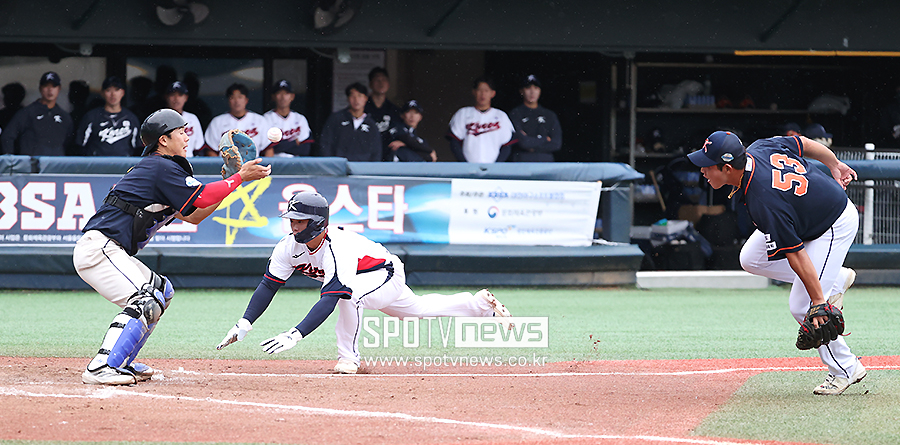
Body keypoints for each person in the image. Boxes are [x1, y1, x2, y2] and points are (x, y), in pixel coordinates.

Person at [74, 108, 271, 385]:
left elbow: (194, 215)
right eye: (181, 132)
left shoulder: (162, 169)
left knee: (161, 292)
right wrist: (238, 178)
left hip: (110, 250)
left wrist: (231, 181)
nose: (187, 137)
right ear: (163, 140)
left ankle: (123, 360)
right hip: (100, 248)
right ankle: (102, 365)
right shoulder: (159, 166)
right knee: (145, 300)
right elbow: (202, 197)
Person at [215, 191, 511, 374]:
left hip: (386, 273)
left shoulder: (337, 247)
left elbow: (330, 298)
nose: (293, 226)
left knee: (350, 296)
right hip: (367, 278)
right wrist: (245, 323)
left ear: (317, 222)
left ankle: (349, 359)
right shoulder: (286, 247)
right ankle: (478, 305)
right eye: (292, 219)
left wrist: (296, 334)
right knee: (417, 310)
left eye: (300, 220)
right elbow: (269, 285)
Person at [687, 131, 864, 395]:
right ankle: (834, 278)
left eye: (707, 165)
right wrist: (833, 163)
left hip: (832, 223)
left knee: (803, 304)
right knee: (751, 258)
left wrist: (818, 301)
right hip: (803, 216)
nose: (702, 170)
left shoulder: (763, 200)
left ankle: (846, 367)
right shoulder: (759, 147)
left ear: (726, 167)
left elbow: (796, 254)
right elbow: (803, 143)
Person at [1, 72, 73, 156]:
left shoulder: (65, 117)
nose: (50, 90)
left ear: (59, 89)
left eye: (53, 86)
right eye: (46, 86)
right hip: (33, 167)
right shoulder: (27, 113)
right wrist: (12, 163)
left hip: (56, 166)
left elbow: (69, 143)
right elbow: (7, 137)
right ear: (40, 88)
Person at [447, 76, 516, 163]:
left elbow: (507, 145)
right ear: (474, 92)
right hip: (468, 167)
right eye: (480, 90)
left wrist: (497, 166)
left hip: (493, 168)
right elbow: (454, 142)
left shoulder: (501, 116)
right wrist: (464, 164)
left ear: (493, 93)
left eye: (486, 91)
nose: (483, 94)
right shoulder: (463, 113)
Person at [75, 76, 141, 156]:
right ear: (102, 93)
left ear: (122, 93)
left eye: (116, 90)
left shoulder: (131, 118)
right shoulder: (91, 117)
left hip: (123, 166)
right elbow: (80, 145)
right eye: (108, 90)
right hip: (98, 166)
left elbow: (137, 147)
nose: (113, 94)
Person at [318, 82, 381, 161]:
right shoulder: (336, 119)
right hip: (339, 166)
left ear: (366, 98)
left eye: (360, 96)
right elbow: (326, 143)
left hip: (363, 169)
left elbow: (376, 151)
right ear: (348, 98)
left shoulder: (371, 124)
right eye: (353, 96)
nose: (356, 100)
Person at [508, 74, 562, 162]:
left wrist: (531, 145)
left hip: (545, 164)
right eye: (528, 88)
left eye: (536, 88)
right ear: (521, 91)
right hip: (521, 163)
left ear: (540, 91)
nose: (532, 92)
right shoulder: (515, 113)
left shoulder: (549, 115)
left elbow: (556, 144)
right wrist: (545, 139)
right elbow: (522, 142)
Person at [204, 83, 268, 157]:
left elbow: (268, 149)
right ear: (228, 100)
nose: (237, 101)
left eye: (240, 97)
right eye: (232, 98)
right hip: (226, 166)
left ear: (246, 100)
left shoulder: (260, 120)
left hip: (252, 166)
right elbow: (211, 151)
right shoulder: (217, 122)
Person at [262, 79, 314, 157]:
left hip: (296, 163)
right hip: (275, 163)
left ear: (292, 97)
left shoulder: (300, 119)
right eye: (279, 93)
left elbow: (305, 149)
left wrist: (280, 145)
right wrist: (294, 143)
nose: (283, 97)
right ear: (273, 97)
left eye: (286, 93)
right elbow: (267, 147)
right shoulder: (266, 119)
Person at [364, 67, 402, 160]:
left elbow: (401, 132)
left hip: (388, 155)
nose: (381, 83)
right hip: (366, 154)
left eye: (384, 80)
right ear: (370, 84)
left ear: (388, 84)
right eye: (377, 80)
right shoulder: (362, 109)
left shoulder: (394, 110)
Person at [164, 81, 204, 157]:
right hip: (166, 163)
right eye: (172, 95)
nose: (176, 99)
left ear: (186, 97)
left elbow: (199, 149)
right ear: (166, 97)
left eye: (180, 95)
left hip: (188, 162)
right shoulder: (159, 118)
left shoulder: (192, 118)